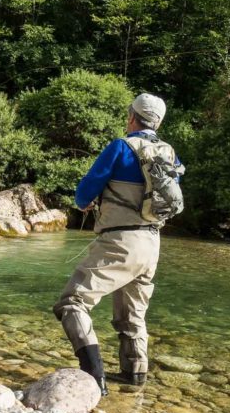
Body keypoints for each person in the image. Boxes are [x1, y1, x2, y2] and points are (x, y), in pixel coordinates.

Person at [53, 93, 178, 396]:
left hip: (120, 240)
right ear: (158, 122)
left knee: (72, 303)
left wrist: (85, 203)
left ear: (132, 117)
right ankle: (134, 378)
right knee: (132, 315)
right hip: (152, 243)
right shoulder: (169, 153)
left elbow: (84, 192)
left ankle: (94, 377)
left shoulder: (121, 147)